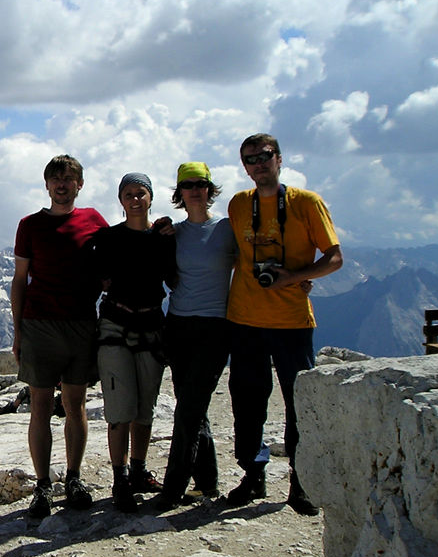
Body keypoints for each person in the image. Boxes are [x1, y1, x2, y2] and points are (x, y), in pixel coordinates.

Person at [225, 133, 343, 515]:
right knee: (247, 401)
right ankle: (253, 473)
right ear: (244, 166)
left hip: (292, 321)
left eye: (264, 156)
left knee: (298, 403)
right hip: (244, 318)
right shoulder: (239, 204)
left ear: (279, 159)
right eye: (250, 159)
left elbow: (334, 257)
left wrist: (291, 278)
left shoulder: (307, 203)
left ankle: (301, 480)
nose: (258, 164)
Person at [12, 154, 109, 519]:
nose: (62, 184)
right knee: (40, 406)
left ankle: (73, 477)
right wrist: (18, 331)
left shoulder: (94, 221)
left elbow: (113, 259)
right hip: (40, 324)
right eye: (56, 178)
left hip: (81, 323)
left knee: (75, 404)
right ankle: (42, 486)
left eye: (69, 178)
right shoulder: (30, 225)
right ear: (47, 185)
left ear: (79, 184)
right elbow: (20, 280)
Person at [153, 162, 236, 511]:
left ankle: (173, 487)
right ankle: (207, 482)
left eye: (200, 184)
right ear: (180, 193)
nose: (195, 190)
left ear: (209, 189)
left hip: (216, 327)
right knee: (192, 403)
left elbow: (256, 259)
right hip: (179, 324)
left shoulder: (229, 229)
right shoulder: (175, 233)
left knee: (187, 408)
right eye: (188, 185)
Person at [92, 173, 176, 512]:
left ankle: (137, 472)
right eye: (129, 194)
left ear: (150, 197)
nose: (135, 199)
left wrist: (169, 234)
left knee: (145, 407)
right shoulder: (109, 238)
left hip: (149, 325)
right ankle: (121, 478)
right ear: (121, 200)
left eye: (140, 193)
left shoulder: (163, 237)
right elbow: (98, 276)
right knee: (120, 408)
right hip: (119, 326)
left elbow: (174, 275)